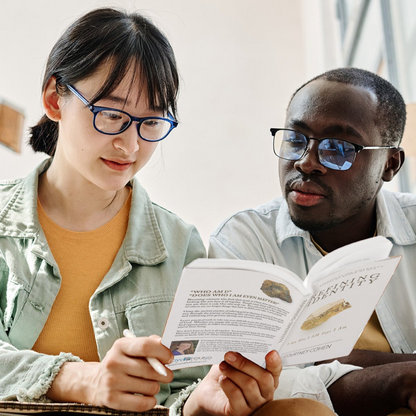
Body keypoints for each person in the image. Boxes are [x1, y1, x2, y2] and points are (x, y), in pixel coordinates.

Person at [0, 7, 286, 416]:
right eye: (112, 115)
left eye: (151, 121)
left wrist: (203, 404)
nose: (131, 146)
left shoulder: (181, 246)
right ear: (54, 99)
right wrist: (82, 379)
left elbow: (183, 390)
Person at [209, 67, 416, 416]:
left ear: (389, 164)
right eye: (295, 139)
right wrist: (399, 378)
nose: (307, 163)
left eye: (338, 148)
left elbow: (291, 377)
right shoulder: (242, 243)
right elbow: (247, 389)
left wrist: (340, 360)